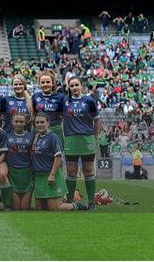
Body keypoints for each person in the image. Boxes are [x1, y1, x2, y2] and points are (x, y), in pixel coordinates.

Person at [32, 113, 86, 211]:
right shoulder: (36, 137)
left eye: (42, 122)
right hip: (39, 177)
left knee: (54, 208)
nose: (40, 124)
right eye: (37, 122)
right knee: (40, 209)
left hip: (51, 175)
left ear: (48, 123)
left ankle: (76, 205)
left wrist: (52, 174)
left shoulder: (53, 137)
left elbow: (58, 157)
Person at [63, 76, 100, 211]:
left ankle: (91, 202)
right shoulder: (65, 101)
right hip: (71, 139)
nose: (74, 88)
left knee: (88, 170)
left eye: (76, 85)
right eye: (71, 86)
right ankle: (71, 201)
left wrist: (95, 137)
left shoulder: (89, 101)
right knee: (71, 170)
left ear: (81, 86)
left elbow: (96, 120)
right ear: (69, 87)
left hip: (87, 139)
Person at [6, 113, 34, 210]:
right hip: (12, 173)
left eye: (21, 121)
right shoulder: (6, 136)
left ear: (25, 122)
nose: (18, 124)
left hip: (27, 173)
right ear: (12, 122)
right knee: (16, 208)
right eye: (16, 121)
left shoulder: (32, 136)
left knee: (24, 208)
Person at [32, 71, 64, 146]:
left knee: (57, 156)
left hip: (55, 130)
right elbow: (32, 114)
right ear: (39, 84)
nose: (45, 84)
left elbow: (63, 115)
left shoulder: (60, 97)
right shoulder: (35, 97)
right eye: (43, 82)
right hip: (39, 131)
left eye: (48, 82)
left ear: (52, 83)